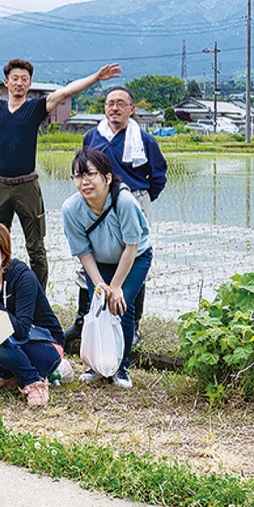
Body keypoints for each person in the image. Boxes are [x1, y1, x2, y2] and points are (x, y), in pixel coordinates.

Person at [0, 60, 122, 288]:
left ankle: (38, 297)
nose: (19, 83)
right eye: (15, 78)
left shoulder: (35, 107)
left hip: (27, 186)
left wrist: (96, 77)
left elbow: (68, 90)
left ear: (29, 83)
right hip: (0, 186)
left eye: (24, 79)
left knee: (36, 247)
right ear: (6, 82)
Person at [69, 85, 167, 345]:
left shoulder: (144, 140)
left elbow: (158, 176)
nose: (115, 108)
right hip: (95, 201)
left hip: (132, 199)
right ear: (104, 108)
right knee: (90, 255)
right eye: (110, 103)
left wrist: (141, 200)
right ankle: (82, 318)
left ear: (131, 110)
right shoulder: (92, 136)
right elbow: (84, 167)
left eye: (121, 103)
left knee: (134, 259)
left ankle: (132, 324)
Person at [61, 148, 153, 389]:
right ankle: (98, 364)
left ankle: (120, 367)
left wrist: (116, 286)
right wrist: (99, 283)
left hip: (135, 257)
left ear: (107, 177)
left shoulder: (124, 201)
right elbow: (83, 251)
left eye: (90, 174)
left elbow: (132, 246)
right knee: (98, 306)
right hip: (99, 261)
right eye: (78, 176)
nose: (84, 181)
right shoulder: (71, 209)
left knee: (120, 304)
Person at [0, 219, 68, 407]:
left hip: (44, 345)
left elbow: (21, 329)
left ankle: (34, 381)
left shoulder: (22, 277)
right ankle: (3, 375)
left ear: (3, 253)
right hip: (10, 346)